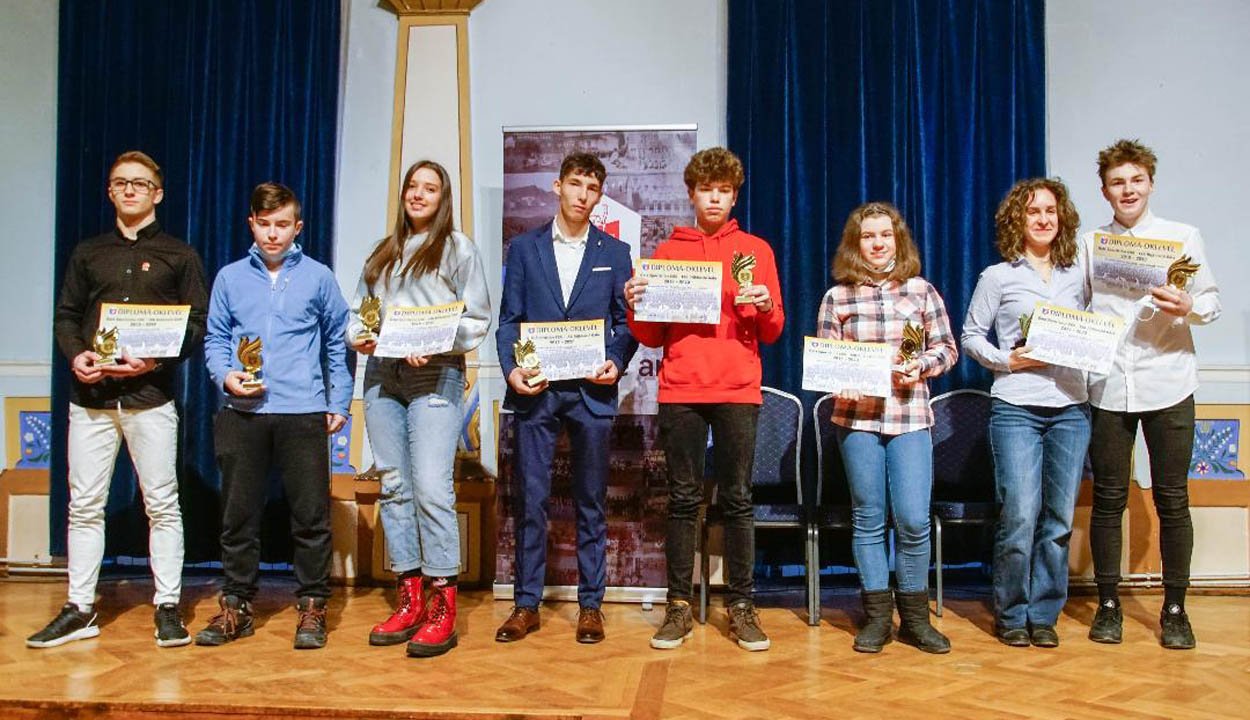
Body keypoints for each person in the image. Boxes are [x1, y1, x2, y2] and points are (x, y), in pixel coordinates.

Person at [30, 151, 208, 650]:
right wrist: (77, 356)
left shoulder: (180, 255)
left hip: (151, 399)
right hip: (92, 399)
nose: (130, 190)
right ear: (110, 191)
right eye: (121, 183)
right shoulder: (88, 253)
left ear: (158, 193)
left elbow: (196, 325)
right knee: (85, 506)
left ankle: (167, 606)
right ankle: (80, 607)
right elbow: (67, 316)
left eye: (140, 183)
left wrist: (154, 361)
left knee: (163, 505)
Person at [625, 146, 783, 652]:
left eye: (724, 191)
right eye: (706, 190)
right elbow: (650, 335)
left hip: (737, 389)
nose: (714, 198)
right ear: (691, 195)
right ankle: (678, 606)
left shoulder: (756, 250)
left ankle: (741, 606)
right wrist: (635, 305)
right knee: (683, 500)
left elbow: (773, 329)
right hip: (682, 390)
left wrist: (764, 307)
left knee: (737, 500)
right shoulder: (667, 253)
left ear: (735, 197)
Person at [197, 182, 351, 650]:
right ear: (251, 224)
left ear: (297, 227)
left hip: (302, 410)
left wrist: (338, 402)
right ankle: (237, 605)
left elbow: (338, 341)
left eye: (282, 224)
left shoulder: (319, 277)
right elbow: (215, 338)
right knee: (238, 517)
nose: (272, 234)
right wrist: (225, 376)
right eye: (264, 224)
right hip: (242, 412)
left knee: (310, 516)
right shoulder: (229, 278)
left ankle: (312, 606)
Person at [1080, 139, 1220, 649]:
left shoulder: (1182, 236)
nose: (1128, 190)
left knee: (1172, 499)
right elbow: (1078, 307)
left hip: (1169, 381)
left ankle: (1175, 610)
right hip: (1109, 386)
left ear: (1151, 184)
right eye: (1117, 182)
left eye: (1136, 180)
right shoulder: (1090, 243)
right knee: (1108, 500)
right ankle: (1108, 606)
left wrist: (1188, 306)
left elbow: (1210, 300)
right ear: (1105, 191)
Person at [348, 160, 490, 657]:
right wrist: (361, 337)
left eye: (430, 188)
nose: (419, 194)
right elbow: (358, 314)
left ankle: (441, 605)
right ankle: (408, 599)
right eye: (413, 186)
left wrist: (434, 341)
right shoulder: (382, 252)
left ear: (442, 198)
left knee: (431, 487)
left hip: (435, 372)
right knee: (393, 486)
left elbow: (477, 318)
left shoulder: (458, 248)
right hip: (382, 374)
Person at [494, 152, 637, 644]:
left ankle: (591, 606)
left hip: (591, 392)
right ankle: (526, 604)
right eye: (575, 184)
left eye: (592, 188)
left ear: (600, 196)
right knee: (531, 501)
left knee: (591, 502)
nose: (582, 195)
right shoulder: (524, 248)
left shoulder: (615, 252)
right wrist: (512, 370)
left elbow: (625, 323)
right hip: (537, 391)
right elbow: (509, 321)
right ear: (558, 186)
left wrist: (616, 359)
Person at [816, 201, 957, 654]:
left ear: (898, 241)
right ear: (855, 244)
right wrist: (840, 382)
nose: (877, 243)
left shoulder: (922, 291)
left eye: (885, 235)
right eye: (868, 236)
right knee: (868, 518)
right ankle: (877, 618)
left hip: (909, 416)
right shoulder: (837, 297)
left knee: (914, 519)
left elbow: (947, 348)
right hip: (857, 420)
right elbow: (826, 360)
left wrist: (923, 366)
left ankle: (915, 619)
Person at [962, 178, 1090, 648]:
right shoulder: (998, 276)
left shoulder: (1079, 275)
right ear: (1017, 220)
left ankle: (1044, 614)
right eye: (1033, 211)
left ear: (1062, 217)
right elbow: (971, 336)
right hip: (1016, 406)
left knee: (1058, 520)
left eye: (1050, 210)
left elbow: (1097, 328)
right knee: (1018, 515)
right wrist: (1007, 360)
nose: (1043, 218)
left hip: (1070, 407)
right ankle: (1012, 613)